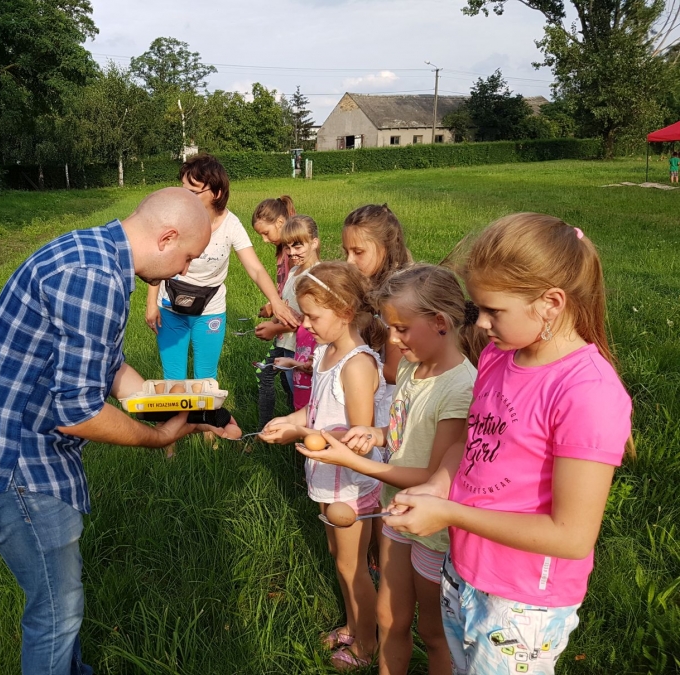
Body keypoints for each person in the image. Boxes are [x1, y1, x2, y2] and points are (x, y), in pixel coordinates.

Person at [0, 187, 213, 675]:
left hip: (22, 453)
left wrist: (184, 405)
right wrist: (157, 438)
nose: (184, 270)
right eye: (187, 257)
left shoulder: (95, 253)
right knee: (57, 614)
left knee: (62, 606)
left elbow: (108, 367)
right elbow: (77, 413)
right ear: (166, 238)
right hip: (15, 466)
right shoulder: (94, 278)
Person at [386, 214, 634, 675]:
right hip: (464, 569)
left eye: (493, 310)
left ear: (550, 304)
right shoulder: (499, 357)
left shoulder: (587, 392)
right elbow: (473, 439)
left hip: (521, 603)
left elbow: (572, 536)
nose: (480, 323)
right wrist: (438, 485)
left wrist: (451, 514)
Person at [297, 264, 486, 675]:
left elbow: (431, 477)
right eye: (390, 328)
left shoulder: (459, 388)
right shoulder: (410, 368)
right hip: (395, 514)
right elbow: (403, 432)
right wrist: (376, 434)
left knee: (434, 633)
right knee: (388, 617)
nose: (393, 340)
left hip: (432, 529)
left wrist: (354, 462)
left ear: (440, 324)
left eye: (401, 329)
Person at [260, 261, 385, 670]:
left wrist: (301, 432)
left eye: (313, 316)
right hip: (326, 474)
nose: (305, 324)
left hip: (349, 480)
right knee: (338, 557)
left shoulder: (357, 365)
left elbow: (359, 437)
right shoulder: (325, 352)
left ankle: (367, 646)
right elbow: (316, 409)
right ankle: (352, 625)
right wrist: (290, 420)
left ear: (345, 311)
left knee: (353, 567)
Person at [145, 155, 298, 381]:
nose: (185, 197)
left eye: (193, 191)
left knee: (206, 378)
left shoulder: (231, 225)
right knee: (173, 379)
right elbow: (157, 262)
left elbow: (255, 268)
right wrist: (151, 304)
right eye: (183, 189)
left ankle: (204, 407)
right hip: (170, 308)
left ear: (216, 193)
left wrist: (275, 301)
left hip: (210, 310)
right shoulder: (173, 219)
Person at [341, 204, 412, 420]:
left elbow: (395, 371)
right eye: (346, 252)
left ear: (385, 248)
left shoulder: (396, 300)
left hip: (390, 408)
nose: (349, 261)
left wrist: (342, 366)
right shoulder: (367, 288)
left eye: (358, 252)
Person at [251, 195, 297, 420]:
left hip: (292, 333)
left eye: (266, 233)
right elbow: (286, 292)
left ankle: (265, 429)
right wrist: (272, 306)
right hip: (286, 330)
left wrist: (274, 326)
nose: (264, 240)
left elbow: (297, 302)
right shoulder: (283, 251)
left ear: (280, 222)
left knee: (266, 374)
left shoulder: (294, 255)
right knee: (289, 378)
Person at [269, 215, 321, 413]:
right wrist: (273, 313)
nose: (291, 253)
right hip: (288, 345)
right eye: (287, 247)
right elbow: (287, 305)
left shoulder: (316, 275)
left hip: (304, 349)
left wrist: (273, 329)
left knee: (308, 400)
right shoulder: (294, 271)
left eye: (297, 246)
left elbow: (306, 319)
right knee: (295, 394)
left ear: (314, 243)